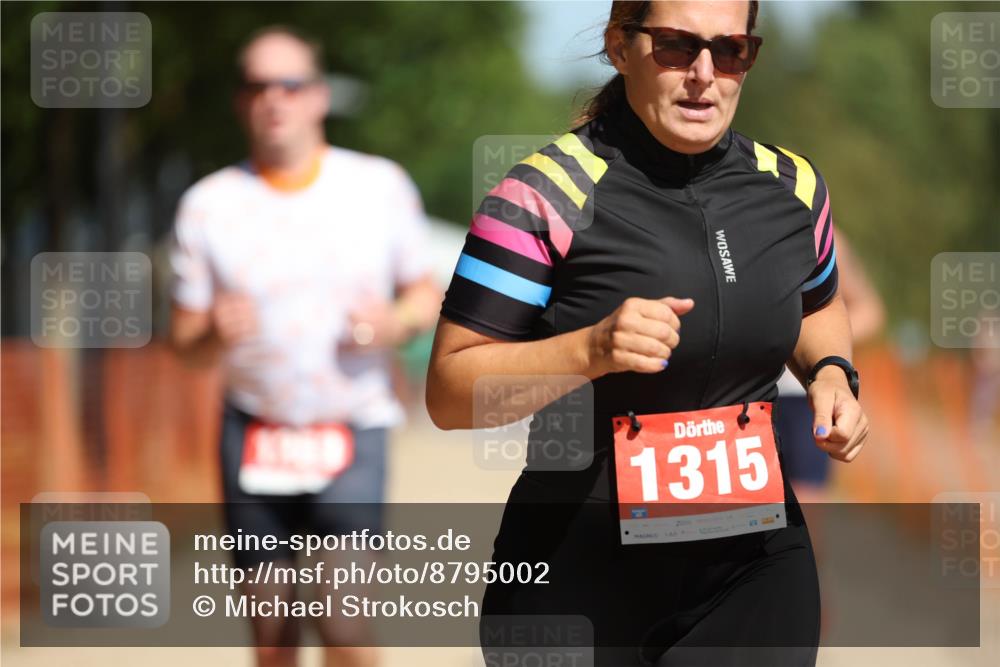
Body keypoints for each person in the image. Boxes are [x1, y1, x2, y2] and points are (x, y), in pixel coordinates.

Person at [426, 2, 869, 666]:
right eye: (675, 46)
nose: (703, 73)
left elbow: (818, 303)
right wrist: (589, 349)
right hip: (577, 566)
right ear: (620, 46)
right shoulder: (541, 195)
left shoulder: (795, 188)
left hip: (752, 564)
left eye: (730, 51)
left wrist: (832, 372)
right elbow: (449, 393)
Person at [168, 26, 441, 667]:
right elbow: (183, 344)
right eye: (258, 85)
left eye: (290, 83)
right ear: (242, 102)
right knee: (273, 632)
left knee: (340, 618)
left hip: (351, 424)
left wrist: (393, 322)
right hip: (253, 429)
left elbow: (425, 298)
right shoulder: (206, 205)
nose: (274, 99)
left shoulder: (378, 186)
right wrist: (211, 331)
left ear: (319, 96)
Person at [776, 228, 885, 503]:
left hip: (804, 398)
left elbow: (869, 310)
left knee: (804, 507)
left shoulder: (822, 232)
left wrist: (820, 348)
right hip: (744, 394)